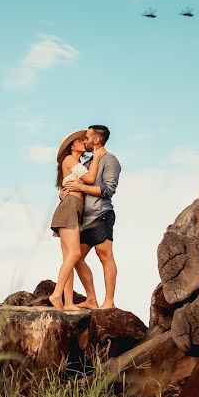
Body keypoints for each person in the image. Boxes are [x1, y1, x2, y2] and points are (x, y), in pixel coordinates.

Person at [63, 124, 121, 309]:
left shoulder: (110, 161)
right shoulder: (87, 163)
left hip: (101, 214)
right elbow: (73, 183)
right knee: (77, 258)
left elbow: (108, 189)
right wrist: (64, 193)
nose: (85, 140)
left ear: (96, 139)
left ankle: (109, 301)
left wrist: (81, 187)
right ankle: (91, 299)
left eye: (87, 137)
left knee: (105, 255)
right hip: (83, 219)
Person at [48, 130, 101, 311]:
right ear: (72, 145)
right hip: (70, 207)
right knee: (74, 254)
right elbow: (90, 179)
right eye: (80, 141)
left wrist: (63, 192)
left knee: (68, 258)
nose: (83, 142)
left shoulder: (75, 162)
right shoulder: (70, 159)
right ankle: (56, 295)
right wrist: (97, 156)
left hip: (73, 207)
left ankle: (68, 302)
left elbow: (73, 185)